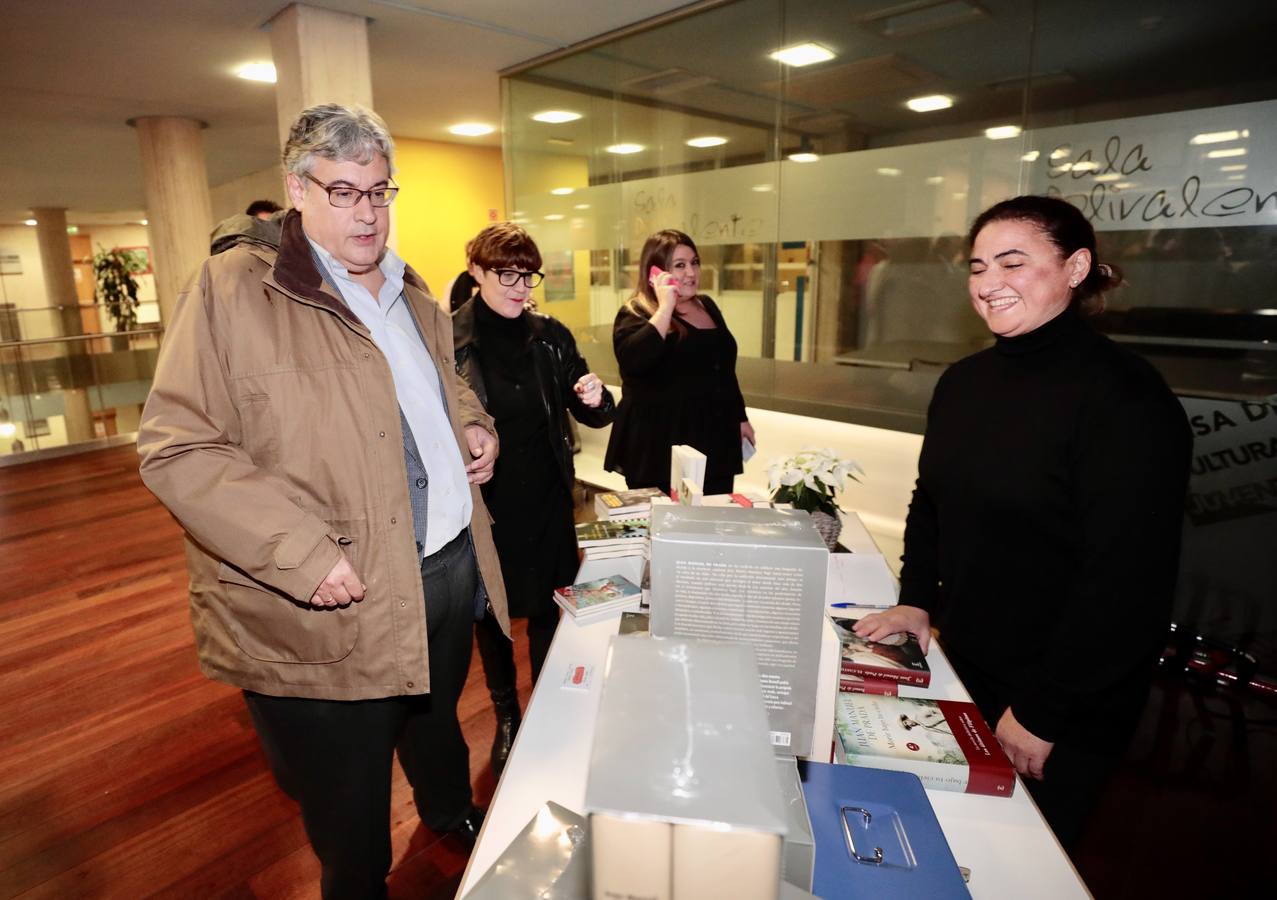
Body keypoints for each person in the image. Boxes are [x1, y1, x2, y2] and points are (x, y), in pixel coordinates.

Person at [138, 103, 509, 899]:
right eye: (343, 192)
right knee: (349, 797)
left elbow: (441, 386)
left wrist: (474, 425)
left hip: (443, 565)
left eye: (380, 192)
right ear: (296, 189)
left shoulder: (408, 287)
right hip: (331, 595)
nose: (367, 213)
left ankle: (446, 811)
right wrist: (299, 552)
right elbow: (178, 445)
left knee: (434, 715)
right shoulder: (234, 290)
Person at [854, 195, 1191, 848]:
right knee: (946, 848)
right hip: (968, 665)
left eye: (1012, 262)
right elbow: (931, 501)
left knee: (1019, 863)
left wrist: (1043, 711)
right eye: (977, 267)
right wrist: (916, 601)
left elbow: (1126, 584)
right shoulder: (962, 382)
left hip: (1064, 700)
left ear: (1075, 268)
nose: (987, 284)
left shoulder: (1124, 397)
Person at [452, 222, 615, 773]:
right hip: (486, 505)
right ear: (476, 271)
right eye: (507, 274)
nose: (521, 287)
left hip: (546, 498)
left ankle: (546, 704)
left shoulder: (550, 334)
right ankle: (507, 715)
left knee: (548, 608)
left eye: (529, 275)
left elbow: (593, 408)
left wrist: (597, 395)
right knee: (494, 616)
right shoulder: (449, 340)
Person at [604, 229, 754, 494]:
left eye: (695, 262)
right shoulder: (637, 312)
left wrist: (740, 417)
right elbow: (634, 363)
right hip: (660, 445)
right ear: (655, 273)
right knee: (665, 528)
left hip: (714, 439)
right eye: (680, 265)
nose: (691, 273)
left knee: (713, 523)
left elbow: (724, 370)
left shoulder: (707, 305)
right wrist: (665, 307)